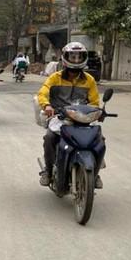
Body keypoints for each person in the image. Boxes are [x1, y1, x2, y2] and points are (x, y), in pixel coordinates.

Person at [36, 42, 101, 187]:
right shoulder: (55, 78)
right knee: (49, 138)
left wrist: (97, 111)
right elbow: (43, 92)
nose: (76, 60)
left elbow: (95, 101)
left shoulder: (89, 80)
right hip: (60, 118)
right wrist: (46, 105)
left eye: (79, 57)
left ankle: (95, 173)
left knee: (99, 139)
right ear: (65, 58)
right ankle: (48, 170)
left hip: (82, 119)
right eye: (72, 56)